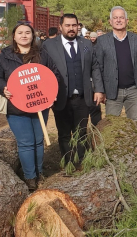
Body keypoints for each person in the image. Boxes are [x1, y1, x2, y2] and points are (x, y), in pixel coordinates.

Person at [0, 23, 63, 191]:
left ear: (33, 36)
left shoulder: (43, 54)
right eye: (20, 33)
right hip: (16, 107)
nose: (24, 35)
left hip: (40, 105)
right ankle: (30, 177)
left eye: (27, 32)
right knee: (26, 142)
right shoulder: (5, 56)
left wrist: (51, 93)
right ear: (14, 36)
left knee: (38, 141)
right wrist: (3, 88)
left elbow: (54, 74)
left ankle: (40, 173)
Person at [42, 14, 104, 163]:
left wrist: (99, 89)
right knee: (64, 133)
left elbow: (95, 67)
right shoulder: (49, 46)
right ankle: (68, 162)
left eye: (74, 25)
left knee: (82, 131)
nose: (71, 29)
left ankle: (81, 160)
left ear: (78, 26)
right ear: (61, 27)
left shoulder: (86, 44)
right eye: (68, 25)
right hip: (60, 97)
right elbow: (43, 71)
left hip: (82, 97)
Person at [94, 6, 137, 122]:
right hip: (112, 90)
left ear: (127, 21)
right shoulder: (102, 41)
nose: (118, 20)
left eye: (121, 17)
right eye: (115, 18)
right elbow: (98, 67)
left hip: (133, 89)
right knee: (112, 124)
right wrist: (99, 89)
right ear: (110, 21)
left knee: (135, 123)